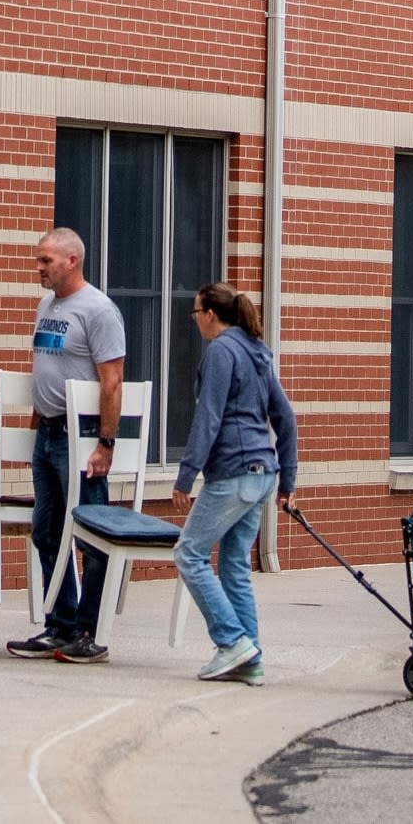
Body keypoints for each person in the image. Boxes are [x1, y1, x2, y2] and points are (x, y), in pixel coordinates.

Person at [7, 226, 126, 665]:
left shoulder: (99, 310)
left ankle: (88, 631)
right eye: (38, 260)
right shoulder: (47, 305)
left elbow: (112, 382)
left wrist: (105, 444)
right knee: (47, 530)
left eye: (46, 261)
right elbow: (47, 367)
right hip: (50, 434)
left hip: (84, 434)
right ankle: (60, 623)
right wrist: (37, 423)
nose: (38, 268)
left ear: (71, 261)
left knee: (92, 533)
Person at [172, 283, 296, 683]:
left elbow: (208, 417)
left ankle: (232, 642)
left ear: (211, 314)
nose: (195, 322)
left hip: (234, 473)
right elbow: (286, 418)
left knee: (189, 554)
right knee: (234, 567)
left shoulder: (222, 351)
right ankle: (251, 659)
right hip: (262, 475)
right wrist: (287, 481)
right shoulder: (257, 352)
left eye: (195, 314)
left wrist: (185, 476)